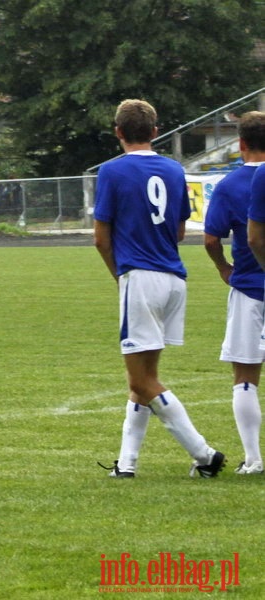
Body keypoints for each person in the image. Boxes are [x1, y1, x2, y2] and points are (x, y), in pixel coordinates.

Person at [94, 99, 224, 478]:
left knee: (141, 379)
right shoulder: (173, 169)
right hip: (173, 278)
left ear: (118, 132)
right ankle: (127, 464)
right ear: (155, 131)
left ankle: (204, 454)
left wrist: (121, 275)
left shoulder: (111, 172)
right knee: (142, 379)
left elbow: (102, 240)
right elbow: (180, 230)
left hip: (141, 277)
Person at [204, 111, 265, 475]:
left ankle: (254, 459)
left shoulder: (230, 185)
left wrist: (223, 268)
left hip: (248, 287)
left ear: (240, 143)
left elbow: (212, 239)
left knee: (245, 376)